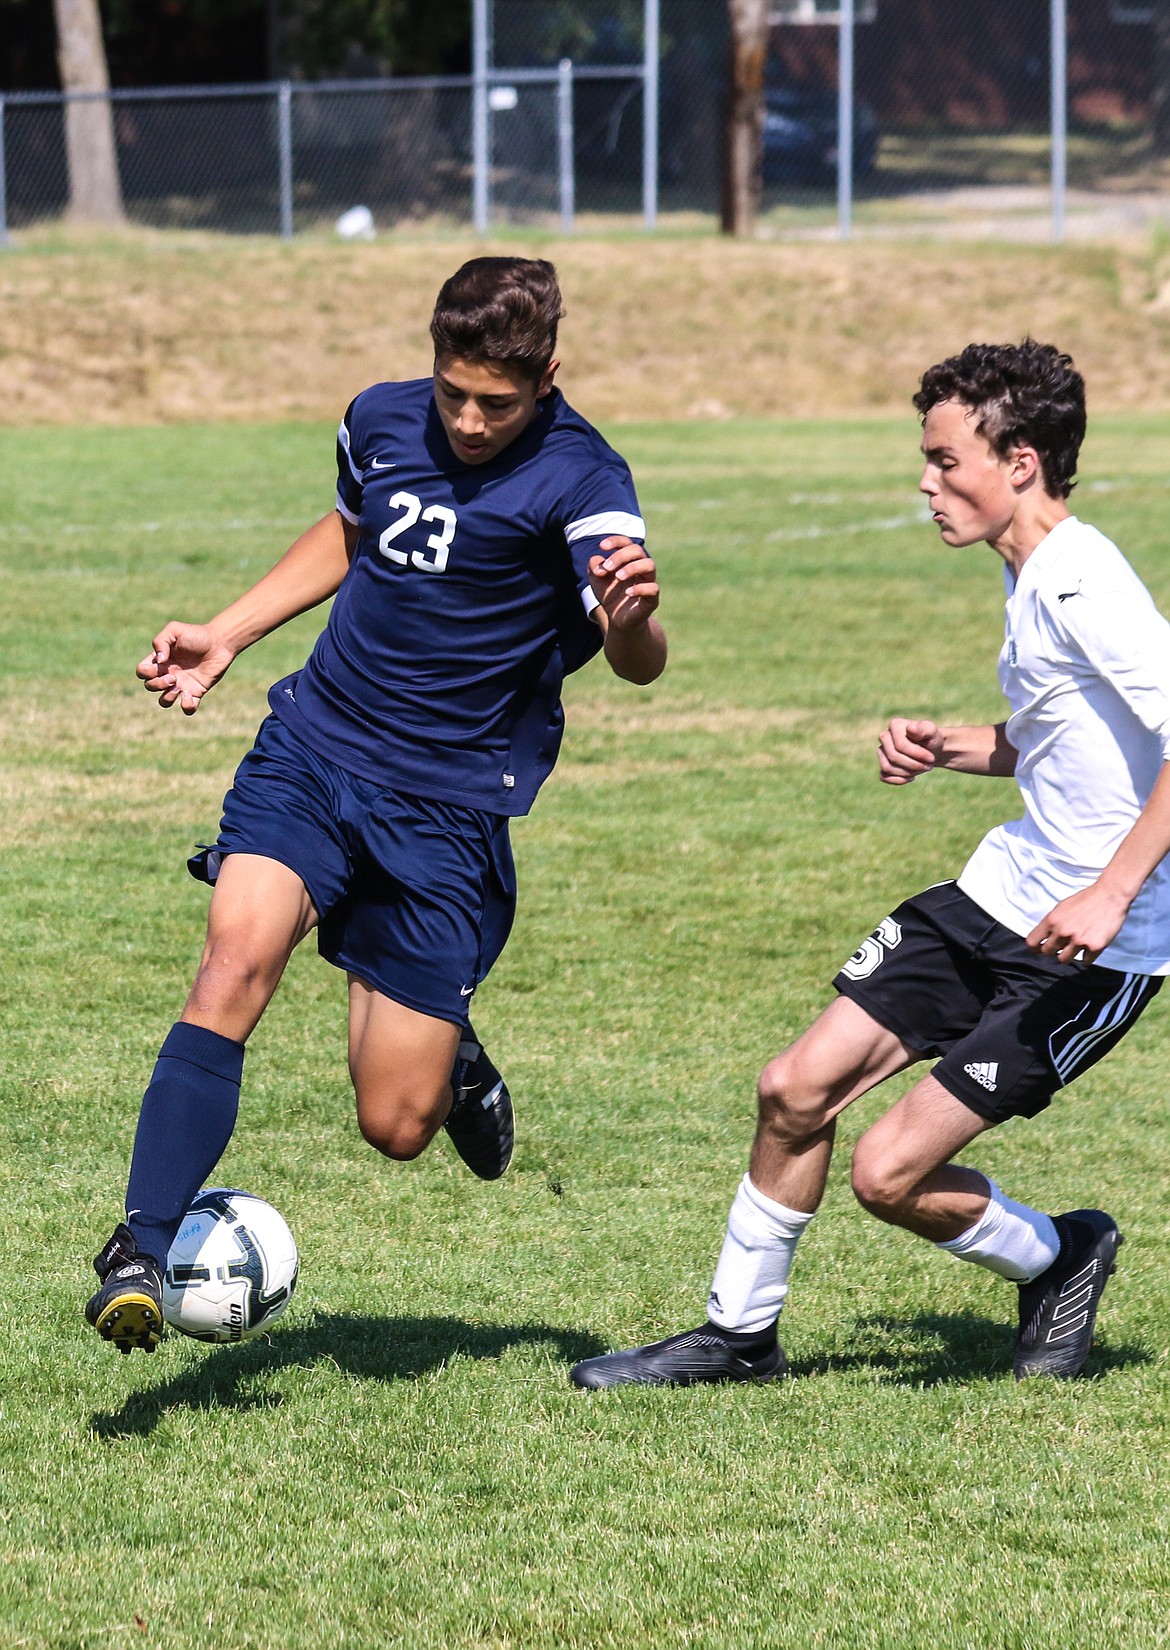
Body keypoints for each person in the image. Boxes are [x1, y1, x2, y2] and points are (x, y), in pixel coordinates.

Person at [86, 256, 667, 1355]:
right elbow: (355, 529)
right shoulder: (382, 420)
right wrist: (227, 632)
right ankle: (141, 1248)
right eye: (453, 392)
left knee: (393, 1124)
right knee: (232, 960)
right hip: (317, 747)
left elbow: (636, 658)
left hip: (446, 809)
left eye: (497, 401)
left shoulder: (585, 480)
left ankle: (454, 1065)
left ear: (548, 377)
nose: (469, 419)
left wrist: (633, 617)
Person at [572, 338, 1170, 1390]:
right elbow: (1079, 745)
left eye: (947, 462)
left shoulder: (1084, 581)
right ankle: (737, 1336)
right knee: (792, 1090)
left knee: (888, 1173)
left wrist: (1114, 889)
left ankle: (1060, 1251)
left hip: (1096, 950)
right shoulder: (1030, 575)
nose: (927, 484)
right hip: (995, 895)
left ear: (1020, 460)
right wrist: (958, 745)